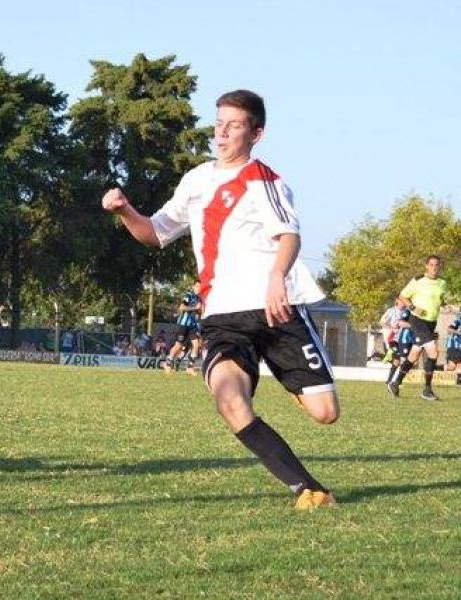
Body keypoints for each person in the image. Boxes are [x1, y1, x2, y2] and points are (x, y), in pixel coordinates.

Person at [101, 89, 338, 510]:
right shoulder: (196, 181)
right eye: (218, 123)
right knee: (229, 400)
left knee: (325, 413)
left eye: (233, 125)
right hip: (223, 318)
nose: (222, 133)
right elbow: (154, 233)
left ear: (256, 133)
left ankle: (288, 376)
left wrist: (276, 279)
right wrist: (124, 211)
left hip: (274, 310)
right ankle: (308, 489)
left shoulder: (264, 181)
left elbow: (290, 235)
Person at [387, 255, 447, 400]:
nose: (434, 267)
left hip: (431, 322)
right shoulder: (418, 280)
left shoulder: (442, 283)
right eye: (431, 264)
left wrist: (446, 305)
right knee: (433, 353)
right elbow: (402, 296)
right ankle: (427, 390)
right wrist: (413, 307)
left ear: (439, 267)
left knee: (414, 354)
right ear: (426, 266)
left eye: (436, 265)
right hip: (418, 320)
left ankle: (395, 383)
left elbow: (439, 299)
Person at [164, 281, 203, 374]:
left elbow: (199, 312)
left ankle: (190, 367)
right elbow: (182, 307)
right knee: (178, 346)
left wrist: (200, 311)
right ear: (193, 286)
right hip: (183, 324)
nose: (198, 288)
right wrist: (195, 308)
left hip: (192, 325)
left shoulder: (199, 298)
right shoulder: (188, 295)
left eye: (200, 287)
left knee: (196, 345)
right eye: (197, 286)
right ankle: (167, 363)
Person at [384, 302, 413, 389]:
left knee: (398, 360)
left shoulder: (408, 311)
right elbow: (382, 322)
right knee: (400, 359)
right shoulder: (392, 311)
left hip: (405, 339)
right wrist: (392, 328)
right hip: (394, 339)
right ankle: (394, 381)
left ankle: (391, 381)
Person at [442, 311, 460, 385]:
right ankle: (441, 368)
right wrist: (458, 332)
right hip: (454, 346)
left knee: (459, 364)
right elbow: (449, 329)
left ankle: (459, 380)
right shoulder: (458, 320)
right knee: (452, 367)